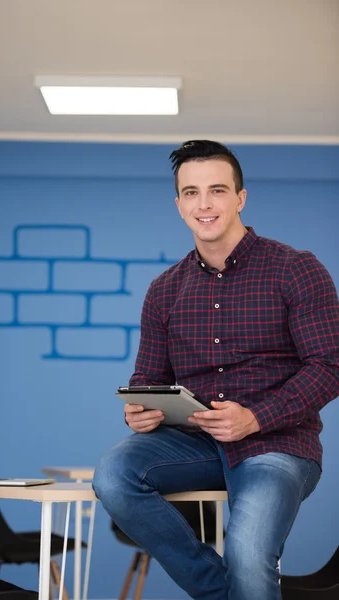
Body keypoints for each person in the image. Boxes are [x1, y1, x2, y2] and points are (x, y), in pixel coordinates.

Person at [92, 140, 339, 600]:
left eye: (217, 190)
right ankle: (222, 593)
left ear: (240, 199)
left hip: (276, 445)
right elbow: (148, 380)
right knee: (113, 474)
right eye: (191, 193)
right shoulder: (164, 289)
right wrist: (141, 411)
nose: (204, 204)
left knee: (247, 552)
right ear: (179, 204)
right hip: (192, 444)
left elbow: (329, 365)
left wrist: (256, 417)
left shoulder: (296, 269)